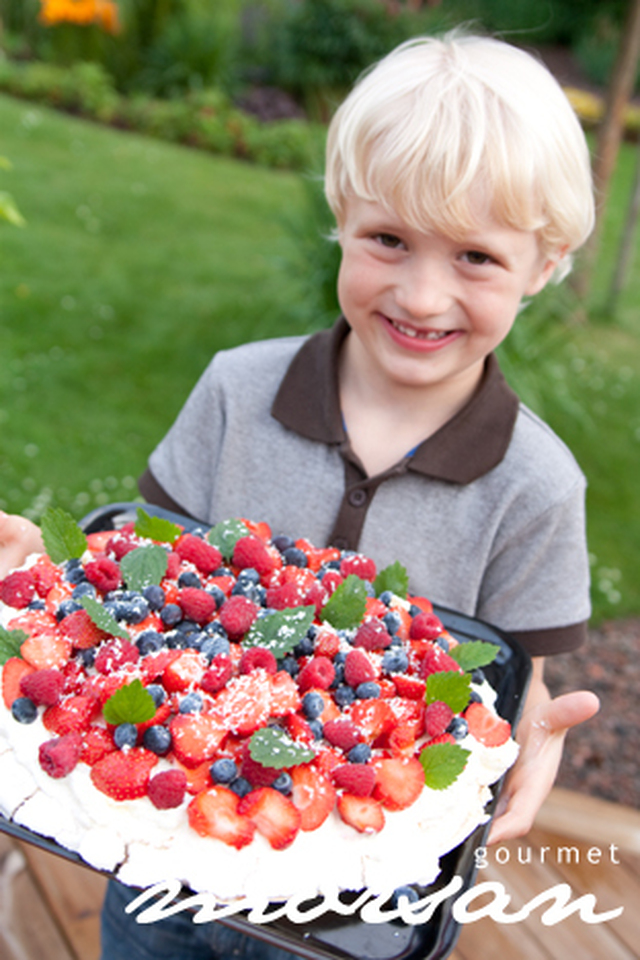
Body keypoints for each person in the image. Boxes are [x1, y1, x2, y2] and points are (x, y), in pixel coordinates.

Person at [0, 31, 600, 960]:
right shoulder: (236, 392)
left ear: (547, 261)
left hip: (364, 912)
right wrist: (47, 585)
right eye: (389, 239)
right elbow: (139, 581)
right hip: (164, 876)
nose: (423, 292)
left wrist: (535, 736)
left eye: (475, 258)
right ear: (340, 218)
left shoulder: (538, 485)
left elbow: (510, 679)